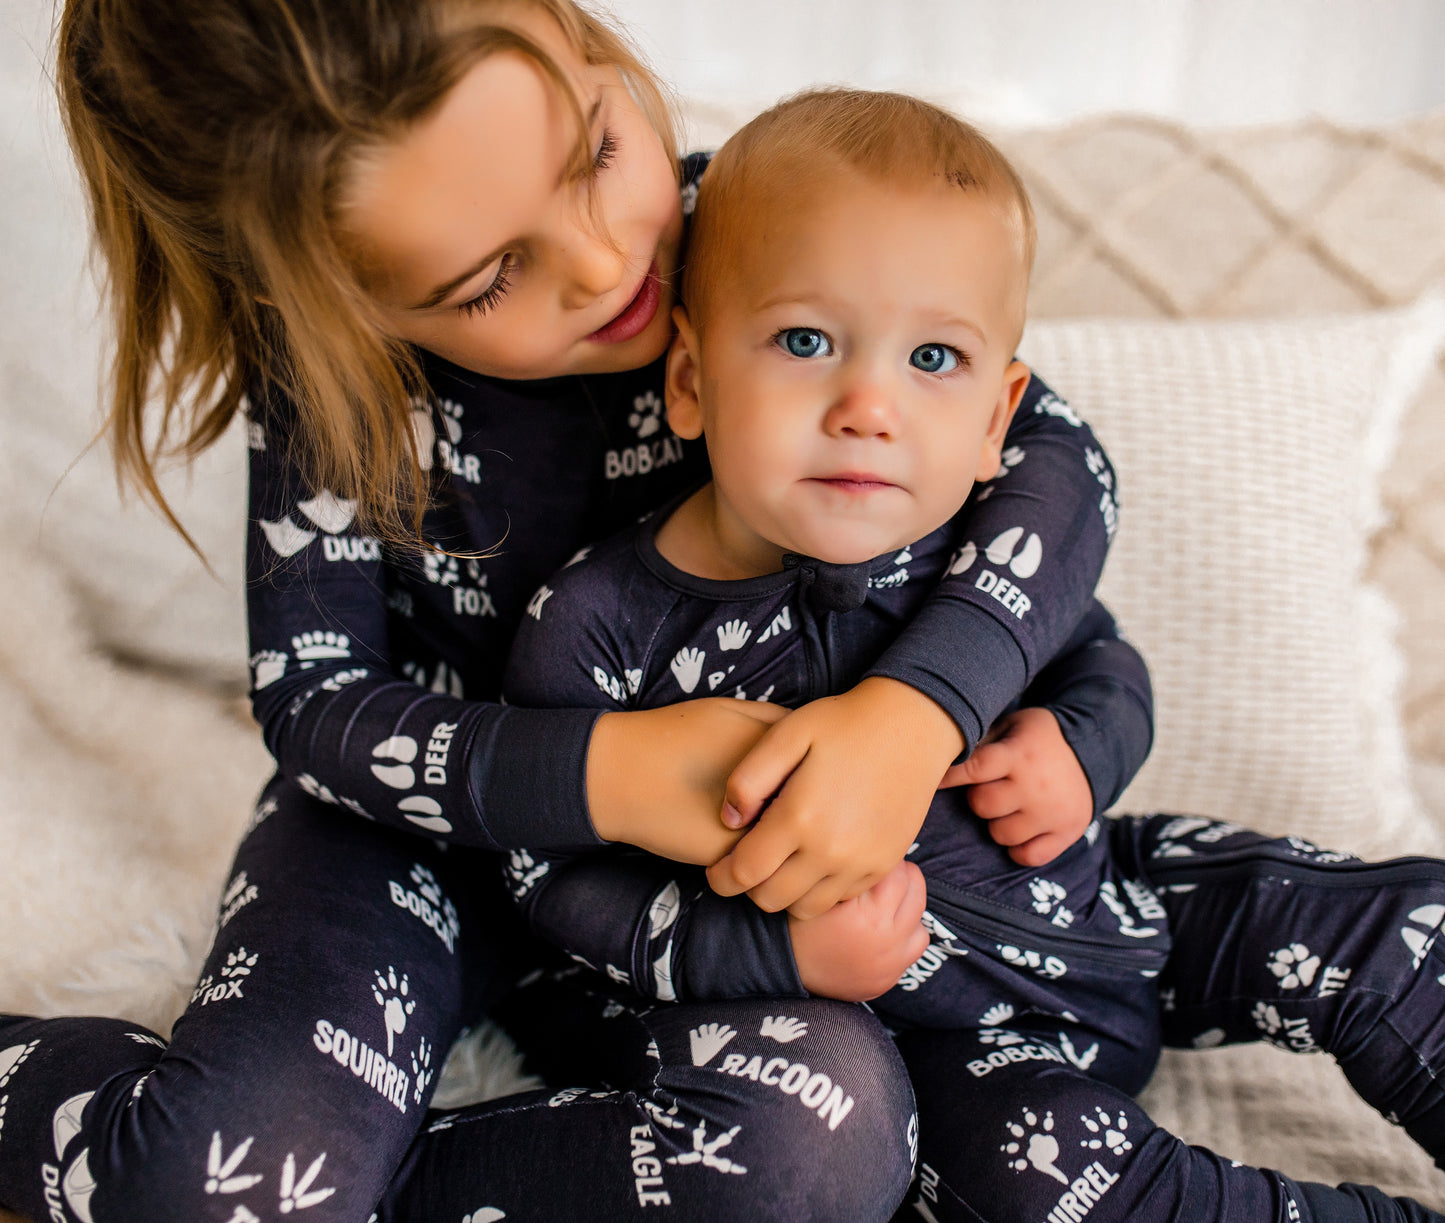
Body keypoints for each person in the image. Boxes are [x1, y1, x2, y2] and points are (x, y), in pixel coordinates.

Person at [0, 4, 1122, 1222]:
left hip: (689, 905)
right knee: (220, 1168)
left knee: (823, 1140)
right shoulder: (335, 389)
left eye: (595, 153)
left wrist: (913, 715)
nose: (601, 263)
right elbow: (315, 701)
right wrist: (608, 771)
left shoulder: (756, 233)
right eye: (489, 279)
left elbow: (1056, 465)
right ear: (330, 303)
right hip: (415, 847)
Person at [502, 89, 1445, 1223]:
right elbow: (546, 877)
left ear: (1000, 415)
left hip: (1116, 896)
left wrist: (1078, 748)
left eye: (933, 357)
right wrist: (774, 956)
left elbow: (1102, 659)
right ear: (692, 382)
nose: (867, 404)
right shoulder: (600, 620)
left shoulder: (973, 553)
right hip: (921, 1035)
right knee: (1045, 1185)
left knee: (1398, 927)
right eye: (805, 340)